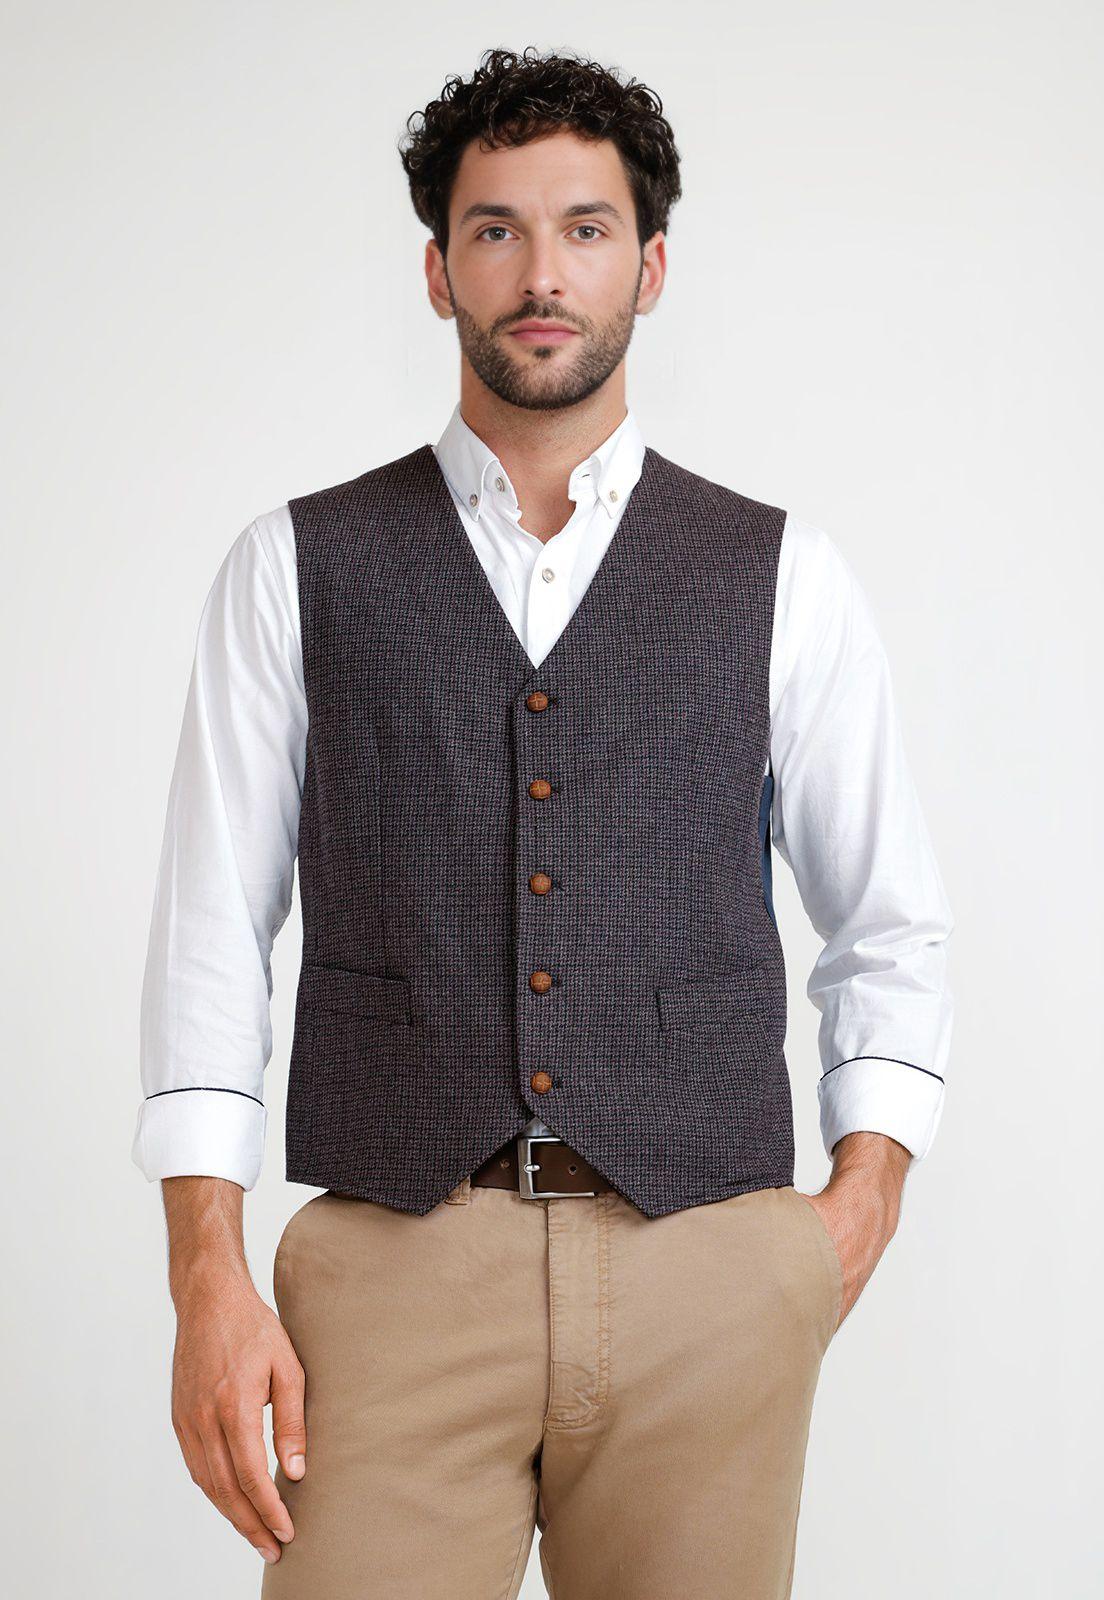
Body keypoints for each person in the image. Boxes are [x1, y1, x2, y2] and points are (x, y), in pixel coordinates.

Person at [132, 45, 955, 1599]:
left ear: (651, 265)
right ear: (438, 271)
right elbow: (208, 937)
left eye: (585, 229)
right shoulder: (295, 566)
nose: (541, 274)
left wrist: (854, 1211)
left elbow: (890, 922)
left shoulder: (781, 574)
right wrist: (206, 1283)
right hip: (393, 1268)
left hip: (710, 1270)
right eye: (496, 230)